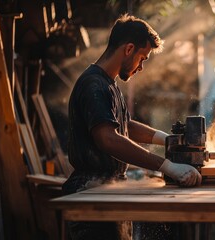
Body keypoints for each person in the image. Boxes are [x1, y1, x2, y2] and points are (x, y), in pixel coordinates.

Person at [62, 14, 202, 240]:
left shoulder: (109, 84)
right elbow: (108, 138)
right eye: (142, 57)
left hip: (108, 190)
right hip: (90, 194)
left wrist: (165, 139)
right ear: (128, 49)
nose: (141, 67)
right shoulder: (93, 85)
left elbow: (124, 125)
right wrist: (167, 166)